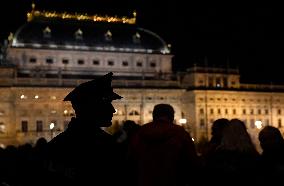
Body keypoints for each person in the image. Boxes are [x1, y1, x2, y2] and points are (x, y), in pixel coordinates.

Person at [46, 72, 123, 186]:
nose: (112, 110)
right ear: (92, 107)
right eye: (107, 103)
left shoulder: (56, 143)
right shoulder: (105, 145)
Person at [127, 103, 199, 186]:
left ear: (154, 115)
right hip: (173, 182)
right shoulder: (181, 133)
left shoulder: (140, 132)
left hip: (144, 181)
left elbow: (130, 159)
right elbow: (192, 161)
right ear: (172, 116)